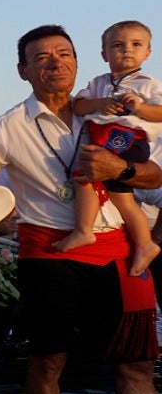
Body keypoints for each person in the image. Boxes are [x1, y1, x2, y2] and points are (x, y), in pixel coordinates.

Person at [0, 24, 161, 394]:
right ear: (23, 70)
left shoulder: (112, 112)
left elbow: (155, 175)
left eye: (63, 54)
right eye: (41, 57)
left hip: (120, 250)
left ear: (77, 62)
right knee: (48, 362)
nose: (55, 63)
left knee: (137, 364)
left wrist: (119, 169)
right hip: (49, 251)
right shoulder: (8, 126)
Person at [56, 21, 161, 276]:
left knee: (84, 175)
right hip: (102, 137)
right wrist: (99, 104)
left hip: (127, 140)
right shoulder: (98, 83)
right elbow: (78, 106)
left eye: (136, 45)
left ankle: (84, 230)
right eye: (117, 45)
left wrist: (138, 108)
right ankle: (144, 244)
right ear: (104, 54)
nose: (127, 50)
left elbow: (159, 112)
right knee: (120, 198)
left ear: (147, 52)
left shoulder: (148, 84)